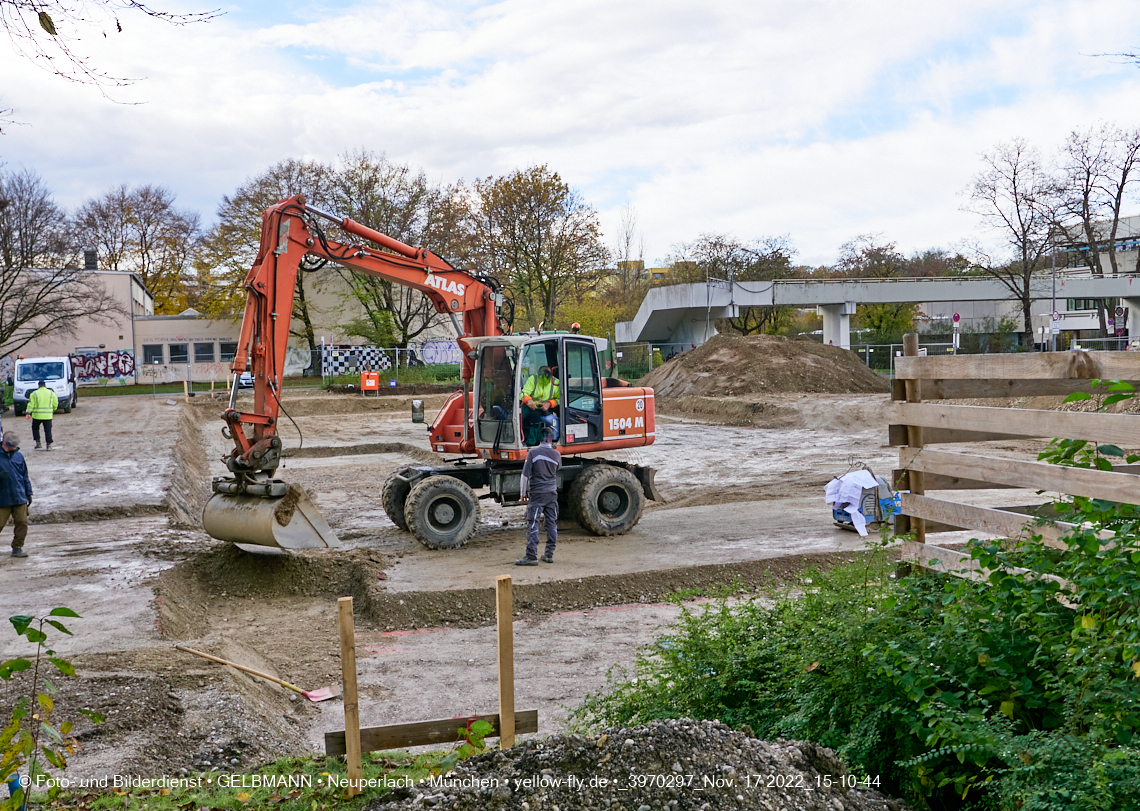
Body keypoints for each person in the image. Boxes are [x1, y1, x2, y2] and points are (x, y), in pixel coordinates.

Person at [515, 426, 562, 566]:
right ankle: (549, 554)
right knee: (551, 523)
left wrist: (522, 494)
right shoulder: (557, 455)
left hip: (537, 494)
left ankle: (531, 556)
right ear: (551, 439)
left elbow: (525, 476)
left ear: (539, 438)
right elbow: (557, 469)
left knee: (533, 523)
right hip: (551, 494)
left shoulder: (533, 453)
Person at [0, 431, 32, 558]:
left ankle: (17, 547)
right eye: (12, 445)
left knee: (22, 522)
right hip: (2, 498)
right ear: (4, 443)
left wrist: (28, 493)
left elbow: (25, 475)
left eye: (15, 445)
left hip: (19, 496)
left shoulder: (18, 456)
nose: (14, 447)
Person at [519, 365, 559, 444]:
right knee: (519, 415)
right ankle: (521, 436)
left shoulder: (556, 382)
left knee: (535, 416)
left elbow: (560, 399)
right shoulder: (533, 379)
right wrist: (528, 400)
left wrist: (549, 404)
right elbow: (523, 393)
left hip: (545, 408)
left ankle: (532, 441)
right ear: (538, 374)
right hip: (530, 406)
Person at [27, 379, 58, 450]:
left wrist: (28, 412)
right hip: (47, 416)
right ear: (45, 385)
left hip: (37, 416)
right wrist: (53, 409)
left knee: (35, 428)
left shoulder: (34, 394)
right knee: (48, 430)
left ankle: (38, 443)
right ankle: (49, 445)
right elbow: (55, 403)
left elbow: (31, 404)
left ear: (38, 386)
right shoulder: (51, 393)